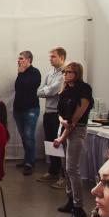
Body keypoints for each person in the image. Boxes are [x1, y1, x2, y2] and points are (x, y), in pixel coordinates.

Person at [53, 62, 93, 217]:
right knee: (65, 168)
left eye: (69, 72)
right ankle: (70, 200)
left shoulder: (84, 89)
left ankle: (79, 208)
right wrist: (62, 121)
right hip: (63, 128)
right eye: (64, 72)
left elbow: (76, 118)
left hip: (76, 130)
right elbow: (59, 112)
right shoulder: (65, 90)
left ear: (77, 74)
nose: (65, 75)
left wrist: (62, 136)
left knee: (72, 169)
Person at [37, 47, 66, 186]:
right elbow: (39, 92)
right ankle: (53, 171)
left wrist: (47, 90)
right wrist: (48, 90)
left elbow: (53, 90)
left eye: (53, 56)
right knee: (49, 143)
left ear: (62, 57)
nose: (50, 59)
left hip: (57, 114)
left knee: (58, 144)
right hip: (48, 113)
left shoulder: (64, 74)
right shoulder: (49, 74)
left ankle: (63, 175)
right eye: (50, 57)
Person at [13, 51, 41, 176]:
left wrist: (21, 73)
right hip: (18, 109)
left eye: (21, 58)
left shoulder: (35, 72)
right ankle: (27, 159)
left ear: (28, 59)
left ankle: (30, 163)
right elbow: (18, 87)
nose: (18, 60)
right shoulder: (21, 73)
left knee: (29, 136)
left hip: (31, 109)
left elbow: (28, 86)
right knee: (24, 136)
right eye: (18, 58)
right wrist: (20, 73)